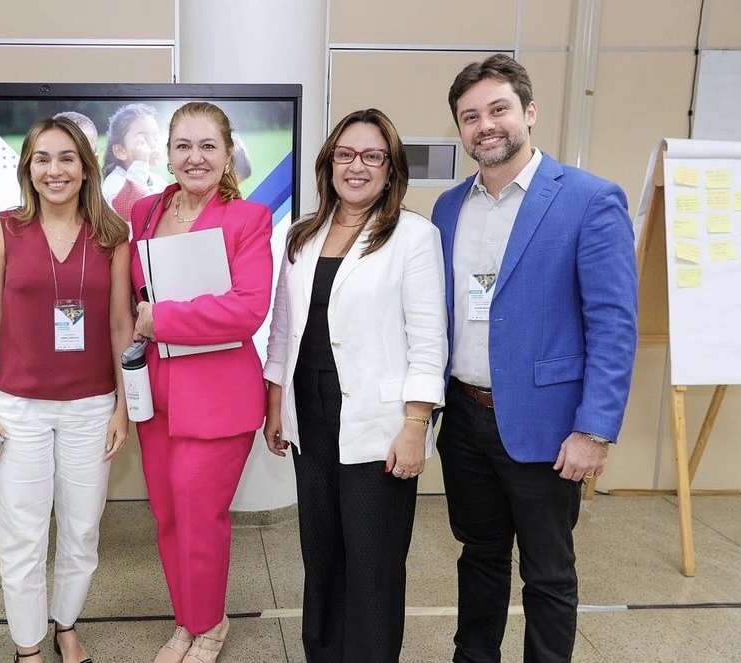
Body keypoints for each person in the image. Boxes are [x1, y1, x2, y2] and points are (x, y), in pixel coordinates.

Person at [430, 54, 638, 663]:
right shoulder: (448, 208)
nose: (484, 125)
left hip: (548, 427)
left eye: (498, 109)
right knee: (480, 555)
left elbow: (613, 323)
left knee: (548, 572)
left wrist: (594, 428)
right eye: (470, 116)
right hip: (466, 418)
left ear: (529, 113)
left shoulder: (588, 199)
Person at [261, 108, 447, 663]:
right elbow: (282, 330)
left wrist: (416, 425)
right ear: (329, 164)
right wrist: (276, 405)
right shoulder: (302, 235)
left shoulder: (414, 236)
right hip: (309, 416)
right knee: (321, 556)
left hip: (378, 422)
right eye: (346, 154)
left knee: (373, 561)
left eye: (372, 156)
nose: (357, 166)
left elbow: (429, 340)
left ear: (390, 169)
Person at [0, 117, 132, 663]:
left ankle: (65, 625)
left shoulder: (112, 236)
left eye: (66, 158)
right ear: (27, 168)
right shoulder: (4, 229)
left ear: (86, 167)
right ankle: (28, 646)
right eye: (42, 159)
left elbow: (118, 326)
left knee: (82, 533)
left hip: (91, 408)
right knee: (22, 535)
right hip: (19, 409)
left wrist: (123, 408)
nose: (54, 170)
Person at [128, 101, 273, 663]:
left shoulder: (248, 218)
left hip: (216, 400)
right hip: (155, 396)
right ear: (166, 154)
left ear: (228, 153)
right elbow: (131, 294)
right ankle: (186, 621)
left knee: (200, 518)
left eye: (208, 146)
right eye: (183, 146)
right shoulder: (143, 211)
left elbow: (246, 309)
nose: (195, 157)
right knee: (167, 516)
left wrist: (161, 319)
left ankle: (209, 625)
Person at [101, 103, 165, 219]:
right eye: (143, 138)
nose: (152, 143)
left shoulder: (158, 181)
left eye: (155, 136)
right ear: (121, 151)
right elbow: (127, 210)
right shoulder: (114, 182)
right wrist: (140, 163)